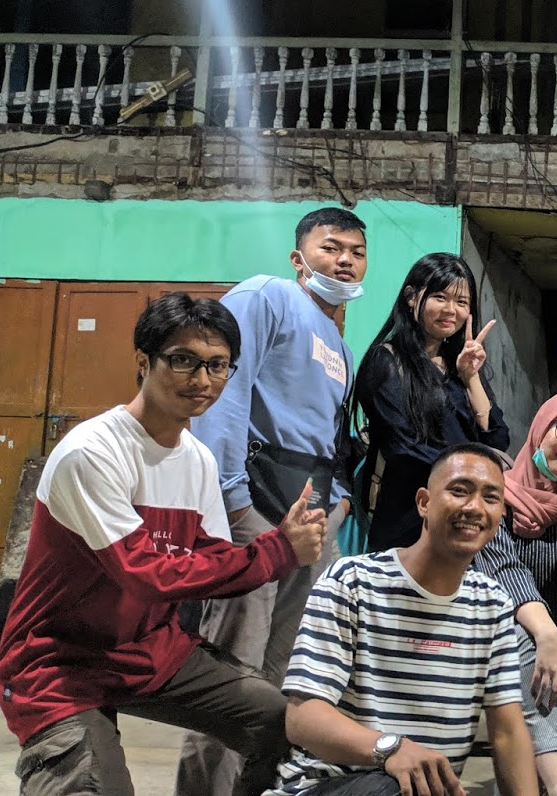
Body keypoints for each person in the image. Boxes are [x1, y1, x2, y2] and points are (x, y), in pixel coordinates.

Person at [0, 293, 328, 796]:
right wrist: (278, 551)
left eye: (218, 365)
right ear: (144, 362)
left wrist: (277, 544)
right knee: (91, 785)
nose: (202, 379)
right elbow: (144, 575)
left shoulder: (197, 459)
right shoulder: (93, 452)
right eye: (183, 360)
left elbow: (213, 559)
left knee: (288, 725)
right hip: (59, 665)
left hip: (150, 653)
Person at [180, 207, 365, 794]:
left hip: (309, 518)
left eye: (357, 252)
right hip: (254, 509)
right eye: (331, 247)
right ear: (298, 257)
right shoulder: (268, 297)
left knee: (289, 675)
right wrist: (233, 501)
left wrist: (336, 505)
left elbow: (327, 437)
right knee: (230, 676)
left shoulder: (339, 344)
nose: (344, 260)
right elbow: (225, 393)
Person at [268, 444, 537, 796]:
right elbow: (303, 718)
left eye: (491, 497)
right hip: (326, 785)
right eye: (459, 491)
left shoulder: (493, 604)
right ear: (424, 502)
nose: (474, 507)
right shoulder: (352, 581)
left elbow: (507, 733)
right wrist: (391, 748)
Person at [472, 391, 557, 796]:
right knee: (527, 642)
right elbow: (503, 570)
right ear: (541, 427)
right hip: (499, 633)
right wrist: (546, 632)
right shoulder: (498, 495)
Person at [353, 253, 510, 551]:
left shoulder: (460, 365)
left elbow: (497, 439)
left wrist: (471, 378)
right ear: (411, 297)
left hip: (461, 519)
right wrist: (475, 479)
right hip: (407, 522)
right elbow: (407, 450)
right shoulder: (386, 361)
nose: (451, 310)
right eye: (440, 297)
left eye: (461, 302)